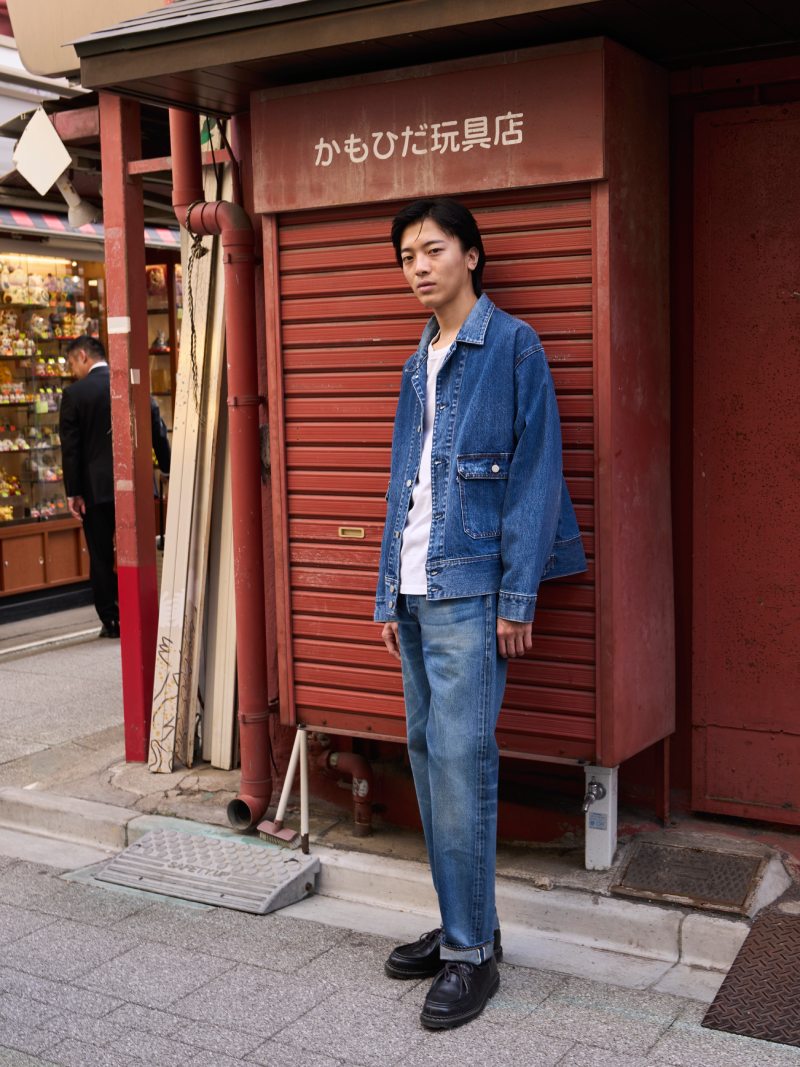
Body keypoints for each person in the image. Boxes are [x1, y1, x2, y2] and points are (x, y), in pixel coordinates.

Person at [375, 198, 587, 1029]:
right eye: (406, 256)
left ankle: (471, 955)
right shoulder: (416, 359)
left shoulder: (512, 345)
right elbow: (404, 481)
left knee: (463, 763)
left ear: (471, 255)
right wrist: (387, 589)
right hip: (416, 588)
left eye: (432, 249)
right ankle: (467, 925)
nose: (418, 266)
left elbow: (537, 473)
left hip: (470, 589)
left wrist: (517, 594)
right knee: (431, 760)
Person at [60, 335, 171, 639]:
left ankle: (111, 620)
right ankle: (146, 611)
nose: (72, 370)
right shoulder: (132, 384)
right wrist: (167, 467)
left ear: (83, 356)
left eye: (72, 363)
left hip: (95, 491)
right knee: (141, 550)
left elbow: (71, 449)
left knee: (101, 556)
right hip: (137, 485)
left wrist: (73, 492)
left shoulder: (74, 394)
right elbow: (156, 429)